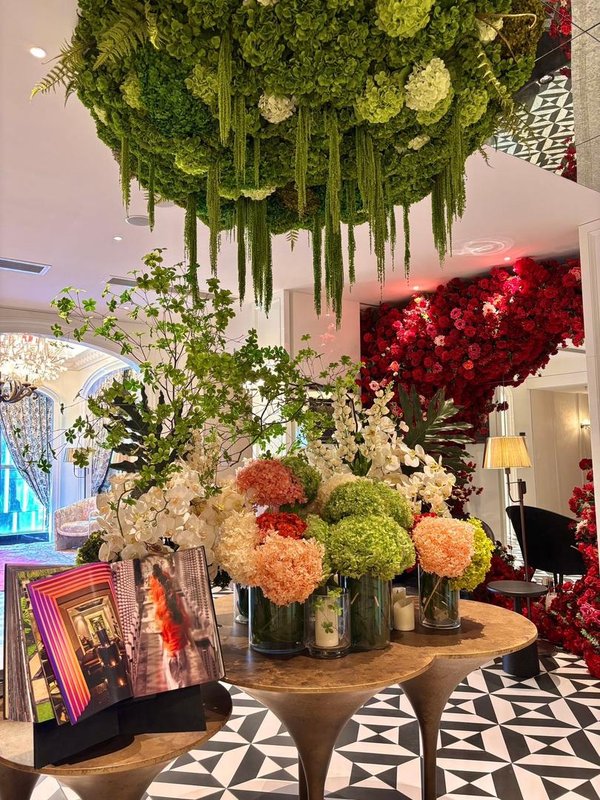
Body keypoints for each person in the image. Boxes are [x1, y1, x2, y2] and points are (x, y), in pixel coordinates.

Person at [159, 590, 194, 689]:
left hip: (171, 653)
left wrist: (162, 652)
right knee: (185, 677)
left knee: (174, 681)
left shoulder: (165, 621)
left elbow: (165, 639)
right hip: (181, 651)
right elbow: (187, 633)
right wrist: (191, 644)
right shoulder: (181, 617)